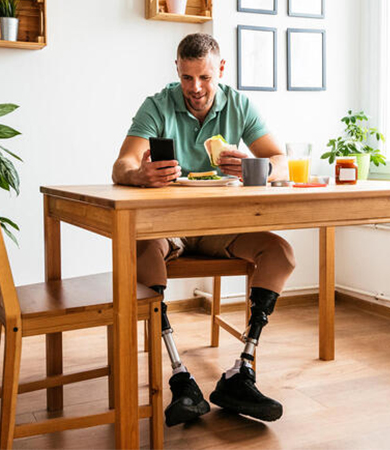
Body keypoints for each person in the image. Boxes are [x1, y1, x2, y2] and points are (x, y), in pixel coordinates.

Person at [111, 33, 296, 427]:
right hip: (167, 228)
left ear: (221, 71)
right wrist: (140, 175)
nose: (196, 88)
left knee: (280, 252)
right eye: (187, 78)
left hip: (221, 227)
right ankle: (179, 375)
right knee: (142, 249)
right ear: (177, 70)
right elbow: (121, 166)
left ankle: (241, 370)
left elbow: (281, 160)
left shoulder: (239, 104)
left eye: (205, 78)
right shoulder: (157, 105)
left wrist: (253, 166)